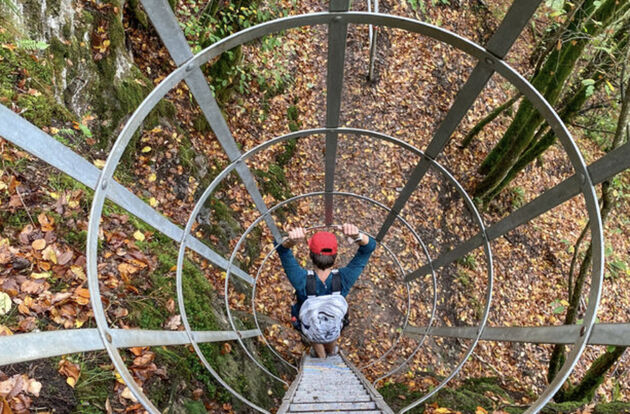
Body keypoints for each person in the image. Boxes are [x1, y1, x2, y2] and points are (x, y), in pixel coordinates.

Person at [276, 223, 376, 358]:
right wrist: (357, 236)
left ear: (311, 254)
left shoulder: (300, 279)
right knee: (332, 325)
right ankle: (332, 351)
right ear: (335, 256)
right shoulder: (345, 278)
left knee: (314, 328)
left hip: (310, 323)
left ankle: (320, 355)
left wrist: (290, 241)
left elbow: (281, 249)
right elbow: (369, 248)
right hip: (334, 323)